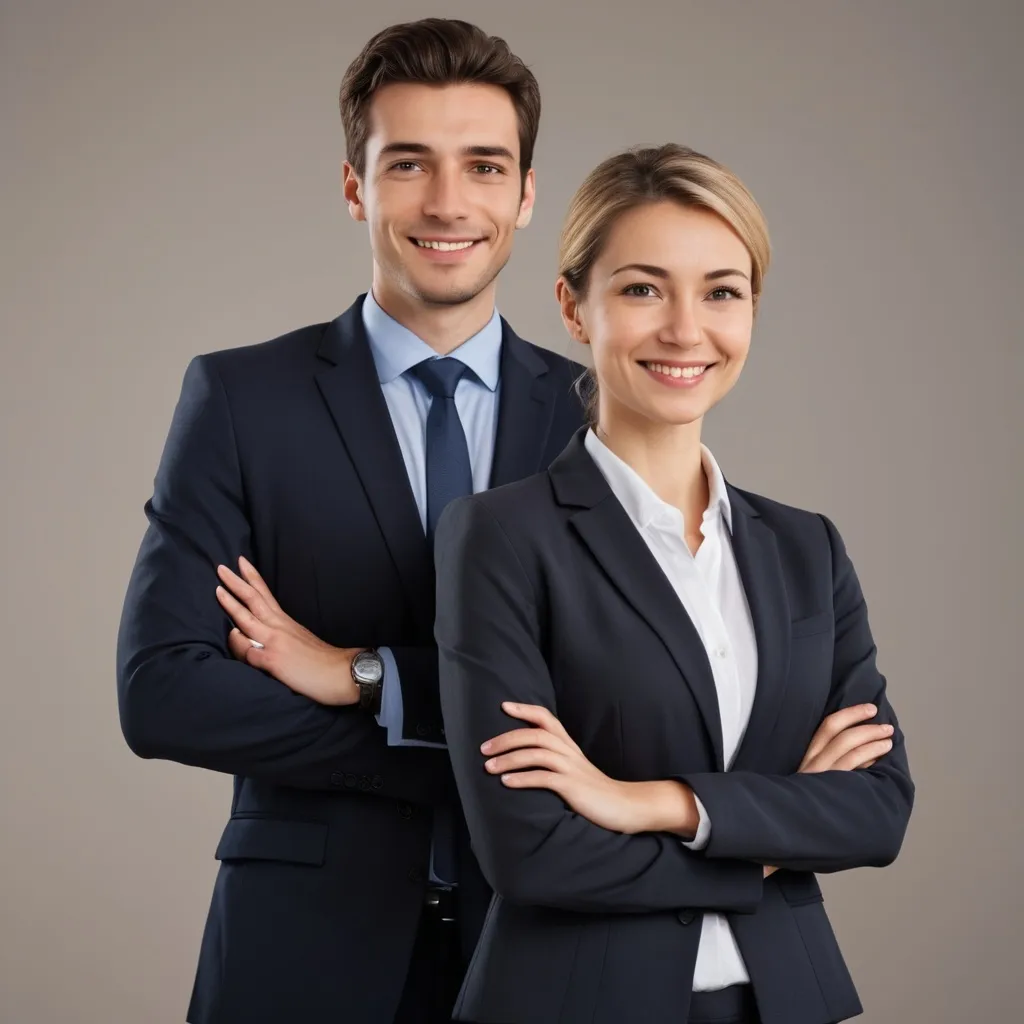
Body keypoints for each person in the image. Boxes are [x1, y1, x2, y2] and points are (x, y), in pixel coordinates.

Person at [115, 18, 584, 1024]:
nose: (449, 202)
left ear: (526, 195)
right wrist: (466, 740)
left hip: (548, 952)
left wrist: (366, 675)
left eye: (484, 166)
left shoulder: (601, 421)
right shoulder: (244, 399)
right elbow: (163, 694)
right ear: (353, 187)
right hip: (300, 953)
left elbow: (632, 704)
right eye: (408, 163)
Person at [433, 144, 914, 1024]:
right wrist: (767, 845)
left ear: (753, 311)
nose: (687, 330)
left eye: (722, 292)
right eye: (643, 289)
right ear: (574, 307)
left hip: (787, 999)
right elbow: (531, 851)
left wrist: (641, 803)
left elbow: (878, 810)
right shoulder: (500, 536)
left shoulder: (807, 548)